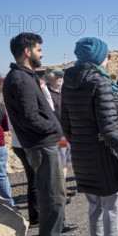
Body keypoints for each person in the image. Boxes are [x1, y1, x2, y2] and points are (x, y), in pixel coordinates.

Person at [61, 37, 118, 236]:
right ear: (97, 57)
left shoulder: (69, 82)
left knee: (95, 207)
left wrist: (81, 146)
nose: (110, 58)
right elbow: (110, 128)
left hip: (83, 157)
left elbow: (66, 123)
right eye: (107, 55)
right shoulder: (100, 83)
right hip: (104, 156)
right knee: (114, 210)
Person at [2, 32, 78, 236]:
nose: (41, 54)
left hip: (44, 142)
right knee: (50, 191)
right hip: (42, 145)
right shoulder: (20, 79)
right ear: (28, 51)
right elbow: (30, 117)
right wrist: (53, 128)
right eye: (39, 49)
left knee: (57, 189)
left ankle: (59, 225)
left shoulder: (25, 75)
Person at [45, 66, 76, 199]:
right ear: (50, 77)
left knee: (66, 157)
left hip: (68, 132)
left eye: (62, 75)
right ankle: (61, 190)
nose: (61, 78)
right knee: (62, 159)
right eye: (58, 75)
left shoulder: (63, 92)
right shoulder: (46, 94)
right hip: (58, 134)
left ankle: (60, 187)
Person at [9, 119, 38, 223]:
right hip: (28, 144)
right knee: (35, 179)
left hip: (19, 144)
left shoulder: (10, 106)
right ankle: (36, 217)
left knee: (33, 179)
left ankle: (36, 216)